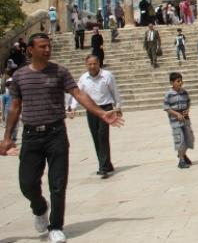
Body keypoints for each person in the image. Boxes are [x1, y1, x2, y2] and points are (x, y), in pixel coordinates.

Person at [0, 33, 124, 243]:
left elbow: (78, 94)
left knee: (58, 183)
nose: (47, 50)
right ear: (30, 50)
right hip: (31, 136)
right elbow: (14, 107)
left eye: (49, 46)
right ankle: (40, 208)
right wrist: (7, 137)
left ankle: (56, 226)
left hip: (56, 134)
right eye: (42, 47)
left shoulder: (60, 72)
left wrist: (101, 113)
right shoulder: (20, 76)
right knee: (27, 183)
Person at [66, 54, 122, 178]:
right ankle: (106, 164)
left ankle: (103, 167)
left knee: (102, 136)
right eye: (89, 64)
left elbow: (115, 91)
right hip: (91, 109)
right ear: (86, 65)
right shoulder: (83, 78)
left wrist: (117, 107)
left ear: (99, 64)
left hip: (105, 108)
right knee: (96, 137)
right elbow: (78, 93)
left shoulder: (107, 75)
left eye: (94, 64)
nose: (92, 66)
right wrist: (73, 107)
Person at [163, 72, 194, 169]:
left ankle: (182, 154)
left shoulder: (184, 92)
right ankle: (181, 161)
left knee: (189, 138)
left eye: (181, 81)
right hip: (175, 121)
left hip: (186, 119)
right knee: (180, 140)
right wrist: (177, 114)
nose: (180, 83)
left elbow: (188, 102)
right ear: (172, 83)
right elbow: (166, 108)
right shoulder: (168, 95)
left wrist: (187, 110)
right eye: (178, 81)